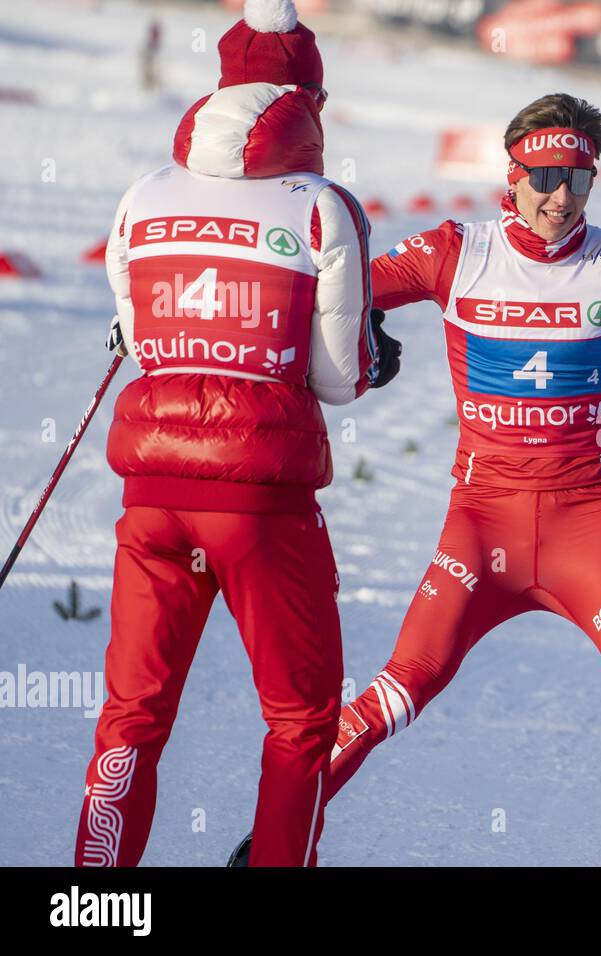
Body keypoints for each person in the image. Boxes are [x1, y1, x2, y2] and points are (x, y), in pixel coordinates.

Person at [233, 92, 601, 866]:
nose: (560, 196)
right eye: (543, 176)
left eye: (577, 176)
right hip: (480, 533)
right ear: (511, 175)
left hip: (587, 538)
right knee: (397, 691)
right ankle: (271, 846)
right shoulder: (453, 252)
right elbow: (323, 291)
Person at [78, 0, 399, 867]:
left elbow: (141, 341)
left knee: (132, 714)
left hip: (152, 496)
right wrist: (377, 356)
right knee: (299, 720)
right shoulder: (324, 207)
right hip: (263, 502)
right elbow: (340, 377)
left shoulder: (143, 195)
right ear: (311, 100)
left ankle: (96, 898)